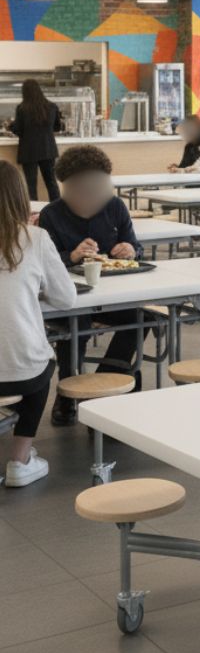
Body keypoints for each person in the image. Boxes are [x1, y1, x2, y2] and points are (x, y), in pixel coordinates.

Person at [39, 146, 145, 426]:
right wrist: (71, 256)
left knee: (140, 318)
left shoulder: (115, 207)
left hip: (112, 295)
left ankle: (106, 380)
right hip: (70, 297)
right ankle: (67, 392)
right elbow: (43, 264)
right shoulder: (52, 215)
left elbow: (136, 246)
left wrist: (130, 250)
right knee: (76, 323)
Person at [0, 161, 75, 486]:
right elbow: (66, 298)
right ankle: (19, 460)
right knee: (42, 362)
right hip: (22, 374)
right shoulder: (35, 238)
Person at [9, 79, 61, 202]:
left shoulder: (22, 108)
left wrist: (11, 126)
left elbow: (18, 130)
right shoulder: (52, 106)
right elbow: (57, 127)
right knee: (51, 182)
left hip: (29, 151)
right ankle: (58, 209)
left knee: (30, 185)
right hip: (48, 149)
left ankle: (32, 211)